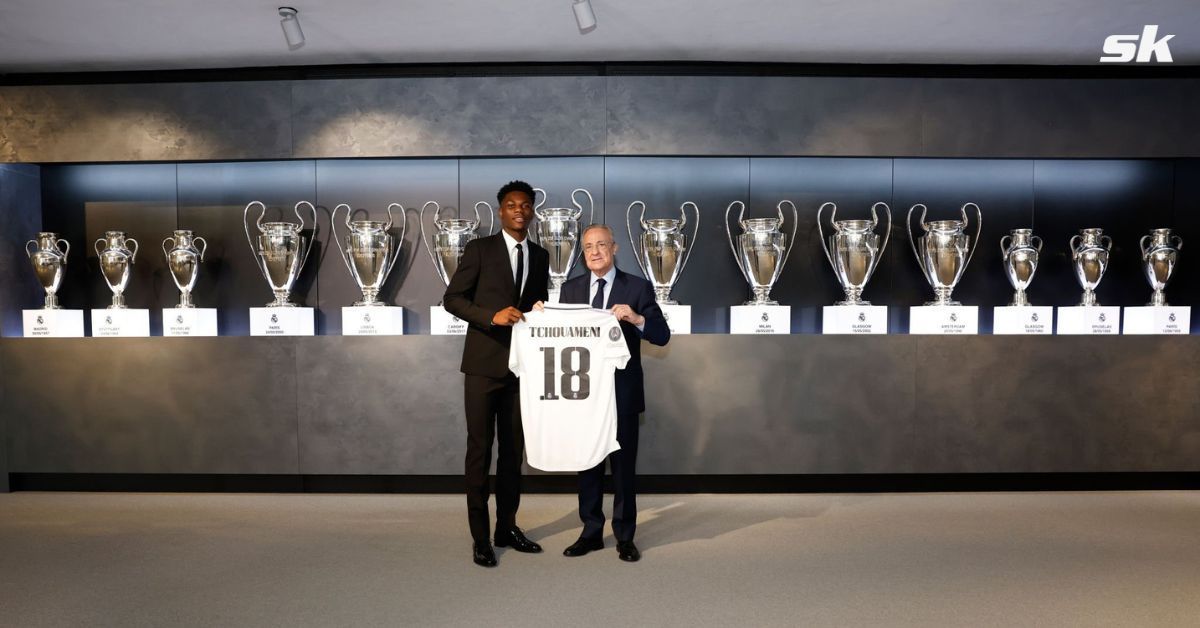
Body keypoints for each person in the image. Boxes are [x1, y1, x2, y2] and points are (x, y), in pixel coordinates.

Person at [443, 180, 550, 568]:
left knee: (512, 455)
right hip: (483, 367)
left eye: (525, 205)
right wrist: (491, 316)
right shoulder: (480, 249)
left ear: (532, 211)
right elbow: (452, 299)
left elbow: (539, 306)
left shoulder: (540, 255)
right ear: (500, 211)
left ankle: (506, 527)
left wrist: (542, 310)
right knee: (480, 451)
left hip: (522, 369)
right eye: (511, 205)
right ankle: (480, 538)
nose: (519, 210)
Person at [556, 223, 670, 562]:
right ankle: (591, 531)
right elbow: (561, 339)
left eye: (601, 244)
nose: (594, 251)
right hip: (585, 396)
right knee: (588, 465)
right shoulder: (570, 290)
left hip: (622, 395)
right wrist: (541, 318)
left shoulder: (637, 287)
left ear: (614, 248)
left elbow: (662, 336)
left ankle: (624, 536)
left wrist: (636, 318)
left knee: (623, 470)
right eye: (588, 246)